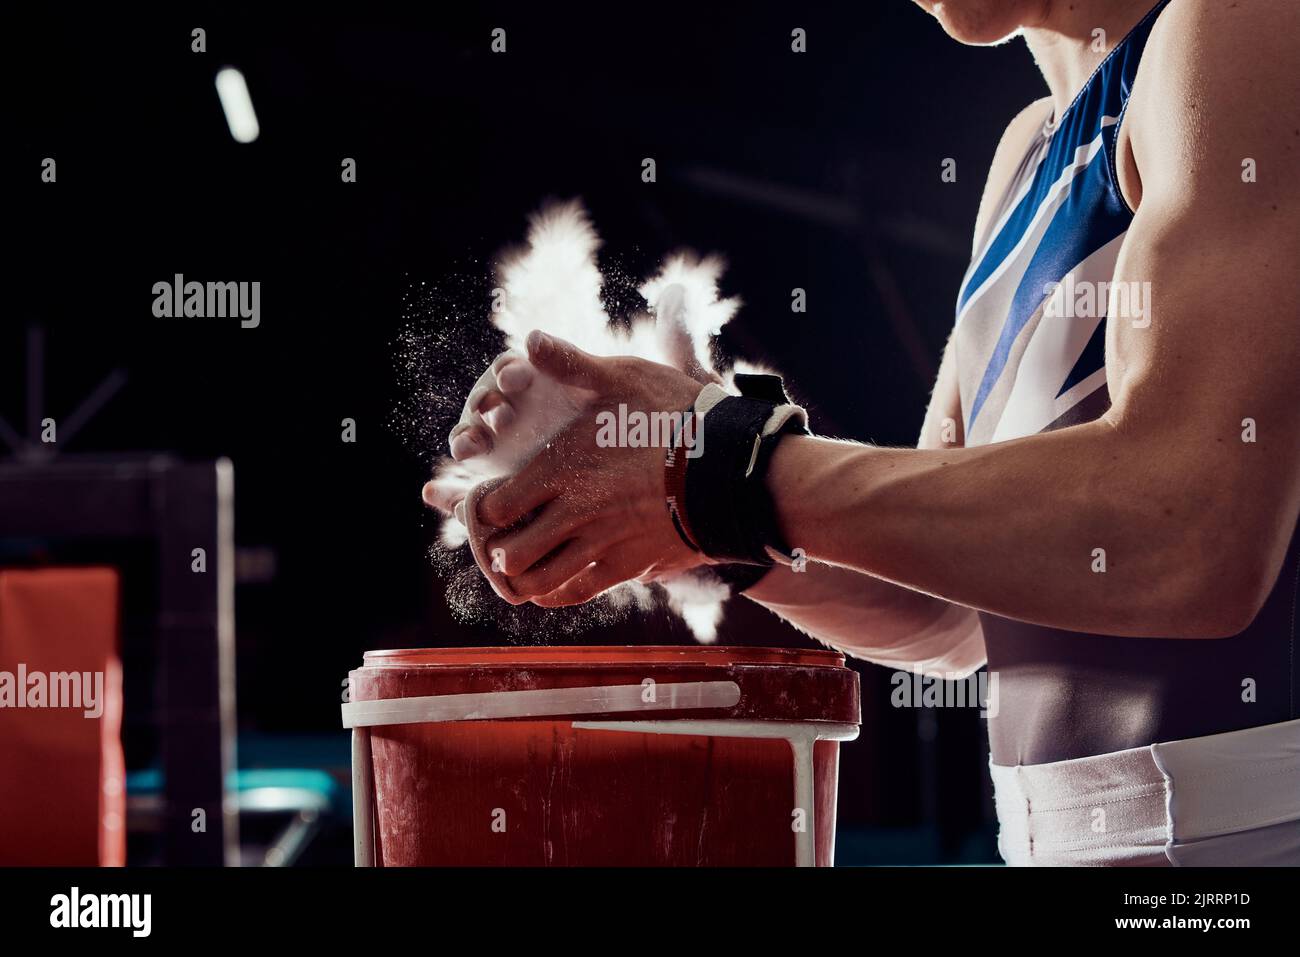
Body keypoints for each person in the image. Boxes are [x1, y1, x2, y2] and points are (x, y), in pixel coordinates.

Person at [426, 0, 1300, 865]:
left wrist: (720, 460)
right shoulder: (1025, 157)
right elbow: (949, 610)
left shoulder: (1237, 24)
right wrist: (697, 516)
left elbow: (1192, 526)